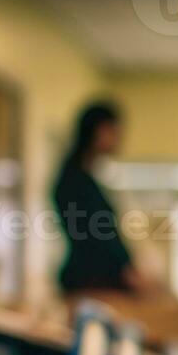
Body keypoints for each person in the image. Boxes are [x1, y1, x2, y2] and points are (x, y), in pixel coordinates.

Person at [53, 101, 148, 295]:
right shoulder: (75, 181)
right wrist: (124, 269)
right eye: (115, 132)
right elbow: (97, 235)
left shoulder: (83, 177)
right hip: (92, 282)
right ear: (100, 130)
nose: (119, 139)